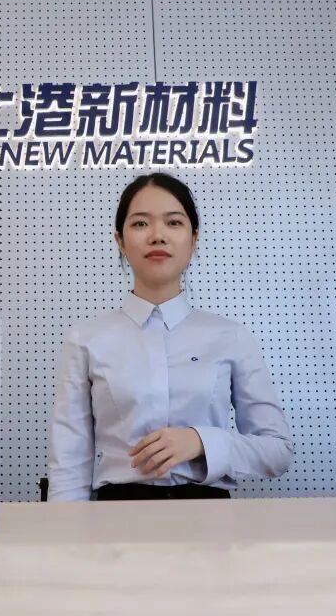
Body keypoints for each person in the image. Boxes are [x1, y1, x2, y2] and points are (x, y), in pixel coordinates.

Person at [47, 172, 293, 501]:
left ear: (194, 238)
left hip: (210, 515)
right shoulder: (86, 339)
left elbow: (277, 451)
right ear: (120, 240)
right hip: (117, 515)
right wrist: (66, 531)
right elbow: (69, 466)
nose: (158, 236)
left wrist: (201, 442)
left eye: (174, 223)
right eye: (140, 224)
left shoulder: (230, 336)